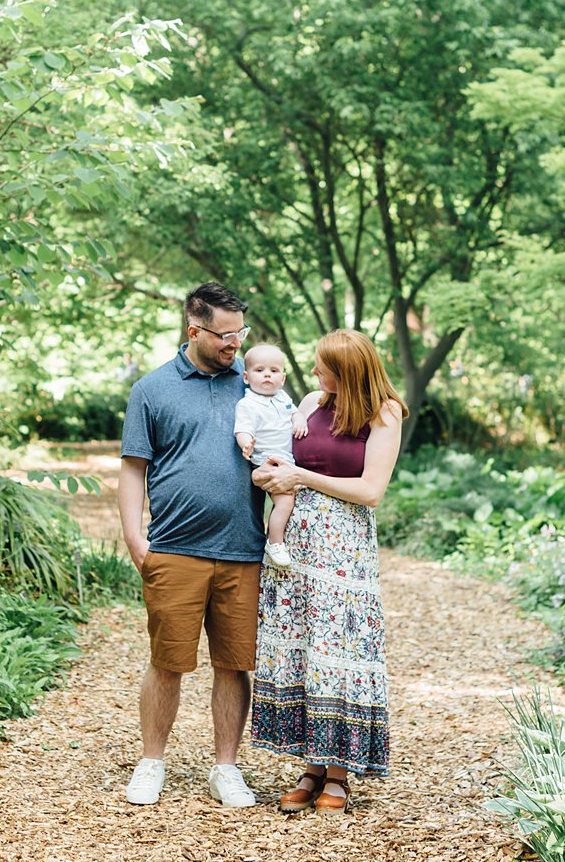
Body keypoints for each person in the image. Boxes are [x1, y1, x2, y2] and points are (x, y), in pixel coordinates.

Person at [248, 329, 407, 815]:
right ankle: (310, 767)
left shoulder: (385, 411)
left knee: (336, 650)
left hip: (344, 548)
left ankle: (338, 773)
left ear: (349, 370)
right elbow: (289, 456)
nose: (314, 372)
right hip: (295, 544)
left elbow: (371, 490)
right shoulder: (315, 400)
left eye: (323, 365)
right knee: (300, 648)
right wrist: (274, 470)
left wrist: (302, 478)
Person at [119, 282, 266, 809]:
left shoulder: (253, 384)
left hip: (243, 550)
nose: (235, 343)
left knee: (234, 663)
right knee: (168, 661)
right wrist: (137, 540)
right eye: (225, 335)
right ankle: (151, 762)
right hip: (175, 549)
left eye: (240, 332)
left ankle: (225, 768)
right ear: (193, 329)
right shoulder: (151, 390)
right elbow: (133, 469)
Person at [233, 343, 308, 570]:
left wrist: (299, 419)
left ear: (282, 378)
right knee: (285, 502)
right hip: (268, 461)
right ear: (246, 377)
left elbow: (294, 412)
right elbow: (242, 430)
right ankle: (275, 542)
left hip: (287, 459)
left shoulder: (282, 397)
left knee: (292, 500)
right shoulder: (248, 404)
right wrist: (246, 444)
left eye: (274, 371)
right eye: (260, 370)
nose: (267, 374)